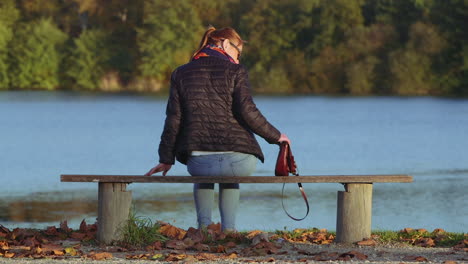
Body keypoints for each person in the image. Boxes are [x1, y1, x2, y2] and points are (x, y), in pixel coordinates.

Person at [145, 26, 290, 232]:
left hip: (198, 161)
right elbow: (248, 111)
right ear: (224, 43)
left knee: (204, 174)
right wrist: (277, 137)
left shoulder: (181, 73)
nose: (238, 59)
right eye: (237, 52)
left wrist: (166, 158)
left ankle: (203, 231)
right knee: (230, 175)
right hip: (238, 162)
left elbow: (173, 119)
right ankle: (228, 232)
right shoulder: (236, 71)